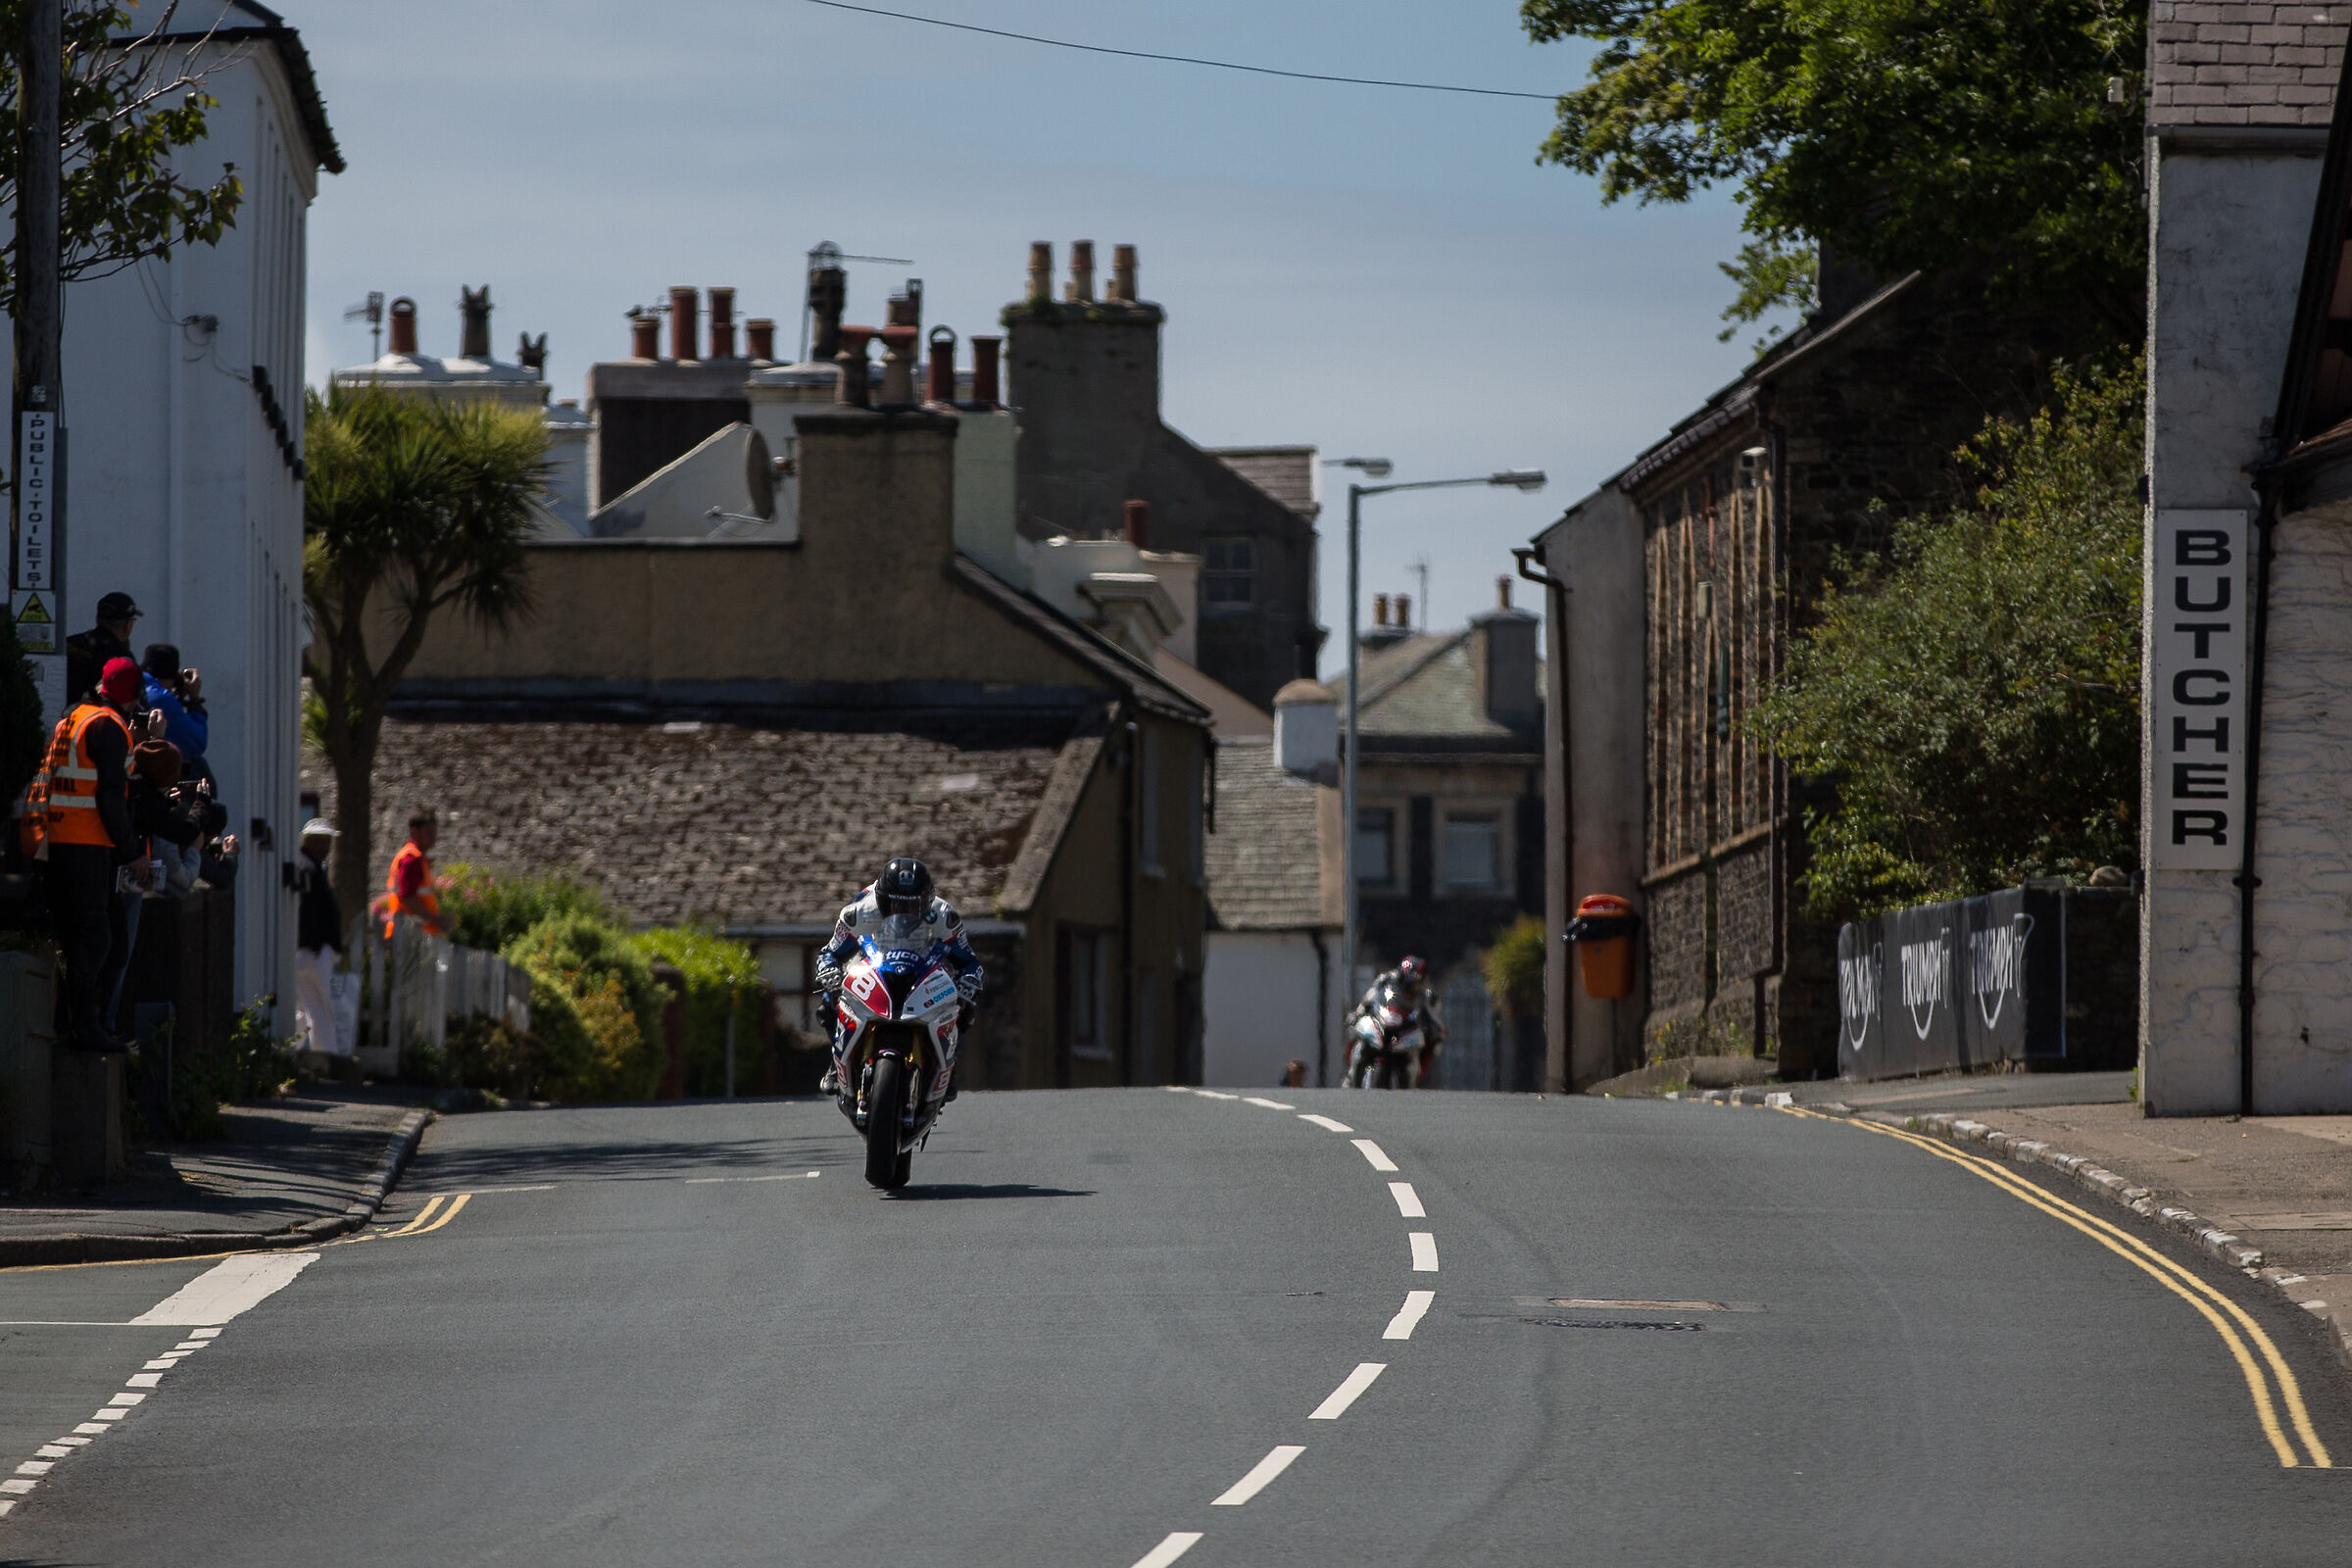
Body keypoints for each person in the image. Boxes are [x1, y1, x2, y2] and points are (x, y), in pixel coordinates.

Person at [24, 658, 142, 1049]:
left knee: (79, 937)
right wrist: (131, 851)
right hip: (85, 844)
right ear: (133, 695)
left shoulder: (73, 718)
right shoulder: (108, 726)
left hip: (55, 841)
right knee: (96, 938)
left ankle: (69, 1023)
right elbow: (109, 796)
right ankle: (87, 1029)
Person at [812, 857, 984, 1100]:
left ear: (927, 901)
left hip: (922, 970)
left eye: (913, 906)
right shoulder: (858, 912)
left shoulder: (944, 916)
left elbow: (969, 961)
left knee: (966, 1006)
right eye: (894, 905)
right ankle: (836, 1060)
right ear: (881, 899)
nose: (903, 912)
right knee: (829, 1000)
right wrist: (829, 970)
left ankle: (949, 1066)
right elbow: (830, 953)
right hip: (874, 964)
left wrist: (969, 981)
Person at [105, 738, 204, 1036]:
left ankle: (100, 1022)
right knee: (119, 957)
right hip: (123, 885)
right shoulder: (147, 800)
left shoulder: (131, 787)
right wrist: (200, 804)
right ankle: (106, 1025)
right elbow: (182, 830)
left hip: (103, 877)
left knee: (106, 954)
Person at [1346, 955, 1447, 1088]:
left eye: (1412, 983)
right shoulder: (1385, 980)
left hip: (1406, 1029)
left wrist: (1436, 1029)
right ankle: (1351, 1075)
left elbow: (1434, 1015)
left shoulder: (1426, 994)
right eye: (1404, 980)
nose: (1407, 986)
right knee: (1358, 1032)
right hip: (1384, 1021)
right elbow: (1369, 998)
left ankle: (1414, 1078)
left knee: (1431, 1045)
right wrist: (1358, 1014)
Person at [292, 819, 347, 1059]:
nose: (327, 848)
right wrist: (314, 943)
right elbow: (307, 909)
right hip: (312, 951)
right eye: (324, 842)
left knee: (307, 1006)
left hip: (308, 950)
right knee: (321, 1006)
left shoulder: (308, 866)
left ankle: (295, 1051)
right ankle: (327, 1056)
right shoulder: (309, 868)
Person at [374, 808, 449, 939]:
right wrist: (436, 920)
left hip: (411, 934)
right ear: (415, 832)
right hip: (408, 936)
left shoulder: (416, 858)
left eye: (434, 832)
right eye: (429, 832)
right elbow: (408, 898)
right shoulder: (411, 860)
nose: (433, 837)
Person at [65, 592, 141, 708]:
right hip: (98, 719)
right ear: (127, 624)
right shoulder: (122, 658)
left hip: (62, 717)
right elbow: (129, 700)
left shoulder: (71, 643)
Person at [139, 644, 207, 763]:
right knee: (198, 764)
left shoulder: (138, 686)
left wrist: (177, 699)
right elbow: (197, 743)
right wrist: (194, 699)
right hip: (152, 766)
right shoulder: (162, 698)